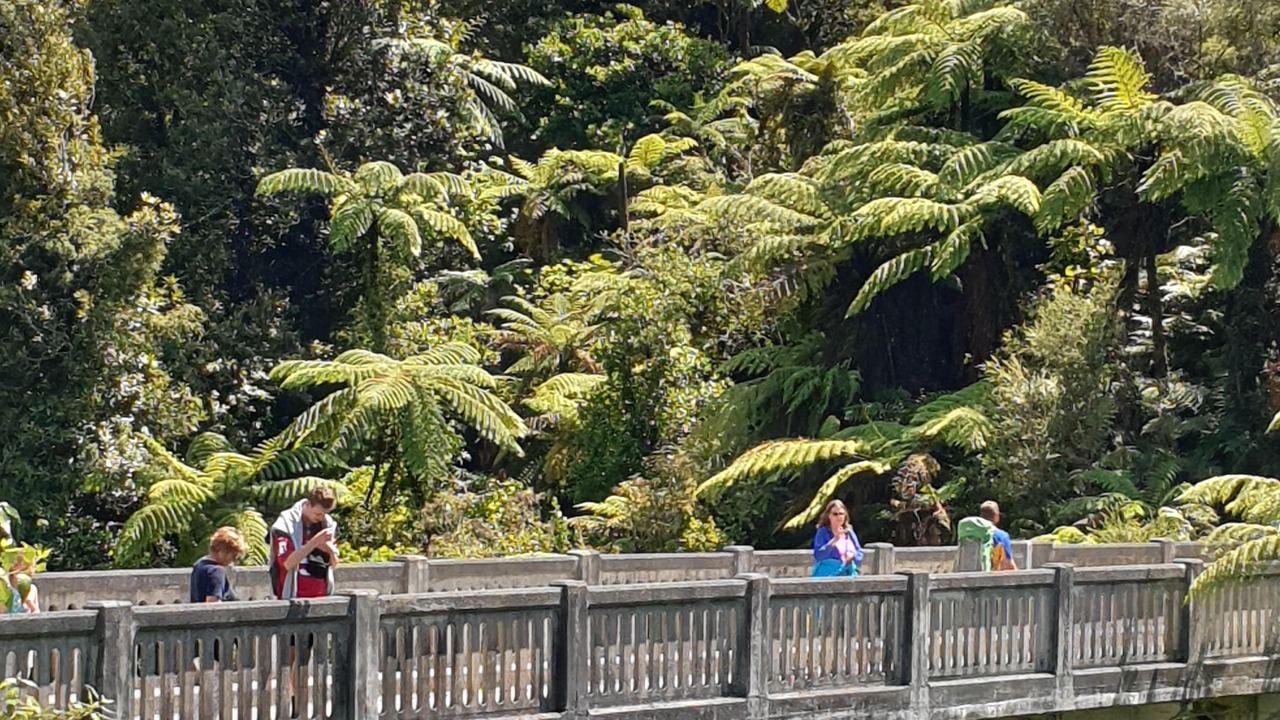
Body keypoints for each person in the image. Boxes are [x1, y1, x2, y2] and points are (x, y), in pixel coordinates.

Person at [270, 486, 340, 600]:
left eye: (325, 514)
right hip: (292, 597)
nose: (321, 517)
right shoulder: (285, 525)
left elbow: (335, 564)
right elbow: (287, 564)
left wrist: (329, 550)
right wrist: (314, 542)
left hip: (321, 596)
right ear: (307, 505)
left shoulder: (326, 525)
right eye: (318, 513)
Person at [957, 501, 1017, 572]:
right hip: (987, 576)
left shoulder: (970, 533)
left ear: (981, 516)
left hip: (964, 575)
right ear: (996, 516)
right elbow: (1008, 565)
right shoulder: (1001, 536)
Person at [190, 527, 246, 603]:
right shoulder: (216, 571)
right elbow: (213, 604)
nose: (233, 560)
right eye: (234, 555)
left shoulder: (199, 565)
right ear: (224, 551)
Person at [812, 499, 864, 577]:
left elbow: (859, 555)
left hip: (847, 575)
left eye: (841, 513)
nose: (839, 516)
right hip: (827, 576)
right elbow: (818, 555)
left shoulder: (849, 532)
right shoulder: (823, 532)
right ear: (828, 515)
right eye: (835, 514)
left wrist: (852, 555)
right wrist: (835, 540)